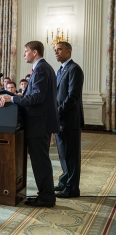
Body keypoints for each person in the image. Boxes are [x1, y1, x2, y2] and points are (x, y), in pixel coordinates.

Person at [0, 41, 59, 207]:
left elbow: (37, 98)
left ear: (34, 52)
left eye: (26, 51)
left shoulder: (41, 69)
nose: (24, 54)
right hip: (40, 122)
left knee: (40, 162)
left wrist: (12, 98)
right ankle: (45, 193)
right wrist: (20, 96)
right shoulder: (43, 68)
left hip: (39, 123)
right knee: (41, 161)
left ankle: (47, 198)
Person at [54, 41, 84, 198]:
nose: (56, 52)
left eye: (59, 49)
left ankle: (72, 188)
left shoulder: (74, 69)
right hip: (60, 120)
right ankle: (65, 182)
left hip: (70, 120)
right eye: (55, 50)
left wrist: (57, 112)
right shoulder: (61, 70)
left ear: (69, 51)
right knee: (63, 154)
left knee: (71, 155)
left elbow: (73, 97)